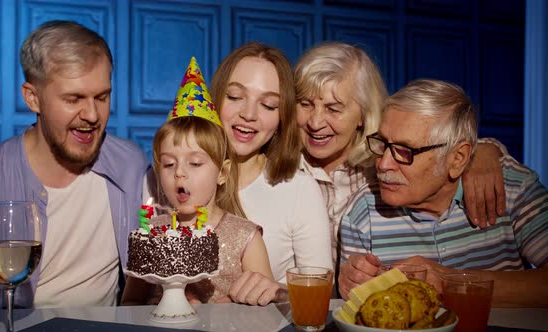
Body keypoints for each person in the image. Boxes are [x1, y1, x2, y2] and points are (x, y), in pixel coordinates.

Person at [0, 21, 149, 309]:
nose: (92, 115)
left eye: (102, 97)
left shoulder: (130, 166)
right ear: (33, 98)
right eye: (73, 99)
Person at [294, 42, 507, 269]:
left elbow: (433, 142)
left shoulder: (381, 163)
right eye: (305, 104)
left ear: (363, 114)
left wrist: (481, 153)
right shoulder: (278, 167)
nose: (315, 122)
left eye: (333, 109)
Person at [338, 79, 548, 307]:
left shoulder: (512, 188)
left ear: (457, 159)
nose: (383, 164)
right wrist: (352, 285)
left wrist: (451, 282)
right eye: (382, 143)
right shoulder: (362, 213)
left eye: (404, 150)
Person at [121, 58, 278, 306]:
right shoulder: (152, 235)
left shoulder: (245, 237)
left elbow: (267, 306)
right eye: (169, 164)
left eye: (195, 163)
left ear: (223, 173)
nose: (179, 173)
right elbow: (129, 304)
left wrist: (233, 308)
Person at [210, 42, 333, 284]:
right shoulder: (169, 177)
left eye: (268, 105)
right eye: (235, 96)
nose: (249, 114)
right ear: (214, 100)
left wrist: (272, 292)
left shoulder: (299, 190)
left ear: (281, 117)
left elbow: (320, 290)